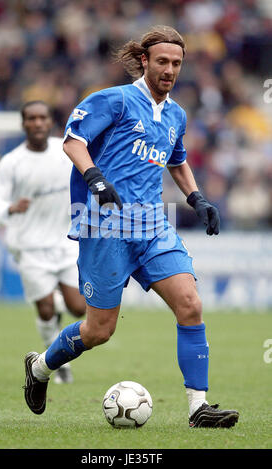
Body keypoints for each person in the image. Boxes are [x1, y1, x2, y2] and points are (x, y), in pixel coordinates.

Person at [23, 27, 239, 427]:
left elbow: (176, 158)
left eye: (176, 63)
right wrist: (95, 178)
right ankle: (39, 368)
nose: (169, 70)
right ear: (144, 61)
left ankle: (198, 407)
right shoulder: (115, 100)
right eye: (162, 61)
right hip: (105, 227)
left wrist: (197, 198)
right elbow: (72, 141)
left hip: (153, 226)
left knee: (190, 304)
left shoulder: (176, 113)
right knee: (98, 330)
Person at [0, 100, 86, 384]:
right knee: (45, 310)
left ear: (50, 122)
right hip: (29, 248)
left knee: (80, 308)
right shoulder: (12, 163)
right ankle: (56, 364)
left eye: (43, 117)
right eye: (32, 118)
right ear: (24, 124)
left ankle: (60, 314)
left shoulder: (64, 153)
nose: (38, 123)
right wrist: (10, 209)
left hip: (66, 243)